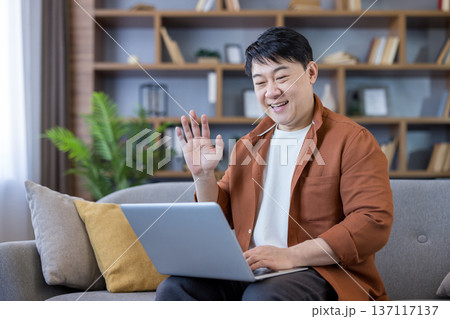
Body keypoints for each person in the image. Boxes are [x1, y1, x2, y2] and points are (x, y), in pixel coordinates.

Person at [156, 27, 393, 301]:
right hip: (254, 271)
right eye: (260, 83)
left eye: (281, 77)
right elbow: (221, 215)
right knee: (174, 289)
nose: (271, 92)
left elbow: (372, 222)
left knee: (262, 298)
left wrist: (290, 256)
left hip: (322, 273)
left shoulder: (353, 140)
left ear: (311, 73)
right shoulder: (249, 144)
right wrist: (203, 175)